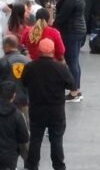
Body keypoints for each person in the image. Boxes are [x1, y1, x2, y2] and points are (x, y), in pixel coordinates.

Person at [21, 38, 76, 170]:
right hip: (56, 111)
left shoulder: (30, 67)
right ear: (53, 51)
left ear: (39, 51)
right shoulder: (61, 68)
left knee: (35, 139)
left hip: (36, 109)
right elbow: (73, 86)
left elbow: (24, 82)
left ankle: (32, 166)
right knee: (56, 141)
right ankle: (58, 166)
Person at [53, 0, 86, 102]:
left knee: (72, 62)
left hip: (71, 31)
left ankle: (74, 92)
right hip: (79, 30)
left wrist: (52, 26)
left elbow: (62, 18)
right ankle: (76, 90)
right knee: (75, 62)